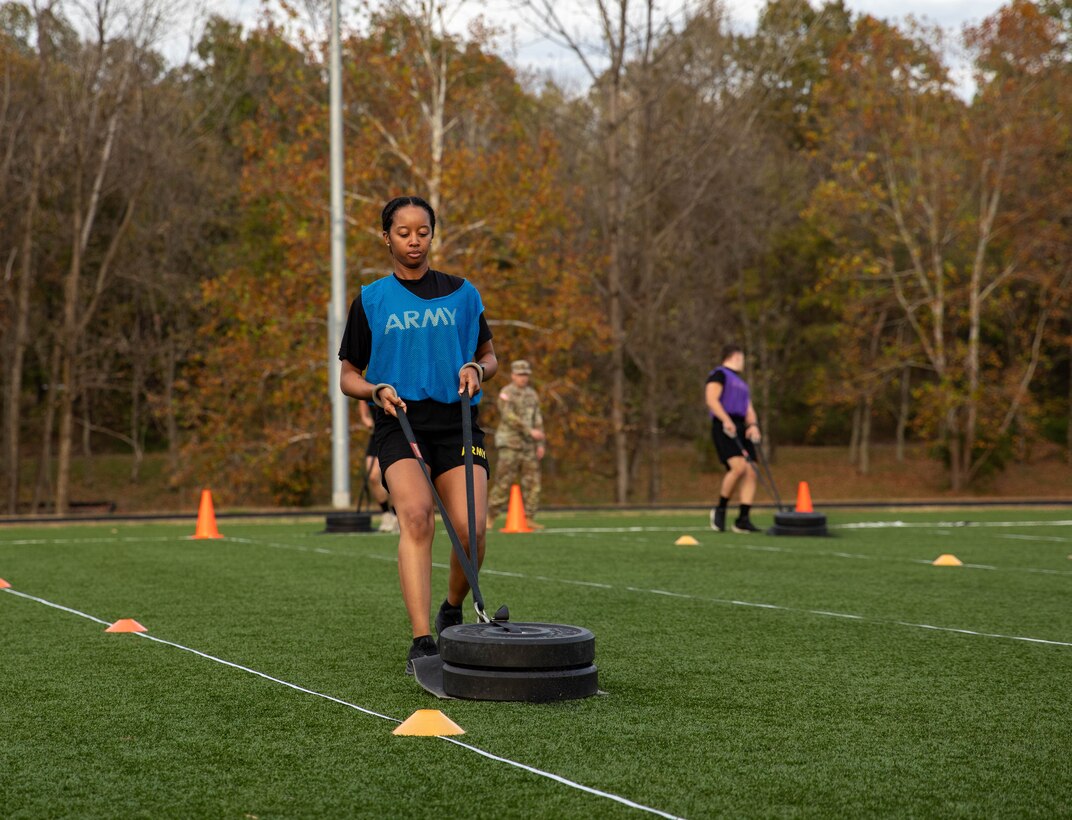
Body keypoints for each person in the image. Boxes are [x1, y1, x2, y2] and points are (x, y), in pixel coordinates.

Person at [338, 195, 498, 675]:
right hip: (400, 419)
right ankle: (422, 640)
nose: (414, 241)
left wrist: (476, 368)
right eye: (403, 232)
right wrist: (375, 388)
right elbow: (347, 375)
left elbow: (490, 356)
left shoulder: (463, 292)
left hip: (458, 422)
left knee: (471, 530)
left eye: (422, 232)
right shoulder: (370, 299)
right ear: (386, 236)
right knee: (416, 516)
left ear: (433, 234)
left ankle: (451, 608)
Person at [705, 344, 762, 533]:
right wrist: (725, 420)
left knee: (752, 470)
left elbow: (748, 407)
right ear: (735, 356)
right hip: (724, 424)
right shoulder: (719, 374)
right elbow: (711, 399)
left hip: (741, 425)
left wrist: (753, 425)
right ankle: (721, 508)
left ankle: (743, 518)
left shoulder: (742, 383)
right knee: (738, 467)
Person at [487, 359, 545, 528]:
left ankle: (529, 517)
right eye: (520, 375)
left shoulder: (532, 394)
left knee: (532, 483)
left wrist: (540, 443)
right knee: (503, 481)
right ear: (513, 375)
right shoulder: (506, 393)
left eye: (526, 375)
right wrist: (529, 431)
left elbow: (538, 420)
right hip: (510, 444)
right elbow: (508, 416)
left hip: (529, 446)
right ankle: (490, 517)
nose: (523, 378)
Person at [356, 400, 398, 533]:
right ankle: (387, 514)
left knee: (396, 479)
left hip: (397, 433)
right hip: (378, 432)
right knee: (373, 476)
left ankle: (398, 515)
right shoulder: (371, 381)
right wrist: (366, 419)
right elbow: (362, 401)